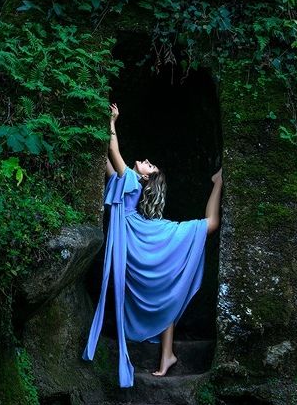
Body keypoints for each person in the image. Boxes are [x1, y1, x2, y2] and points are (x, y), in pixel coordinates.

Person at [82, 102, 222, 387]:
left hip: (143, 238)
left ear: (146, 177)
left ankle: (217, 183)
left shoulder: (132, 179)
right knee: (167, 289)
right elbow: (106, 162)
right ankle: (167, 353)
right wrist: (98, 131)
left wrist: (112, 123)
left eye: (150, 165)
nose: (146, 160)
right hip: (138, 238)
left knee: (207, 228)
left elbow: (114, 153)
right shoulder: (126, 181)